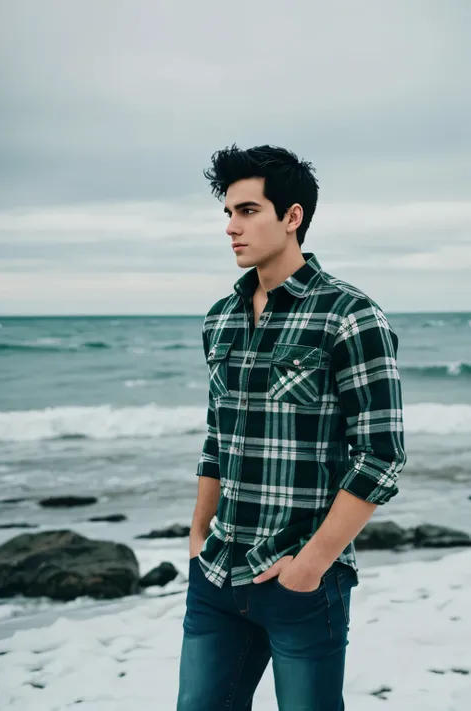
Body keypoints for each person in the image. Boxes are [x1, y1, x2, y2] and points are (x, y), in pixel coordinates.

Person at [176, 144, 406, 711]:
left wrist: (310, 565)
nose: (231, 227)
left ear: (292, 216)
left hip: (300, 580)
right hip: (218, 574)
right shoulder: (220, 318)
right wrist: (197, 536)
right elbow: (216, 438)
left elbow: (380, 455)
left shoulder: (349, 314)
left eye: (248, 211)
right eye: (228, 213)